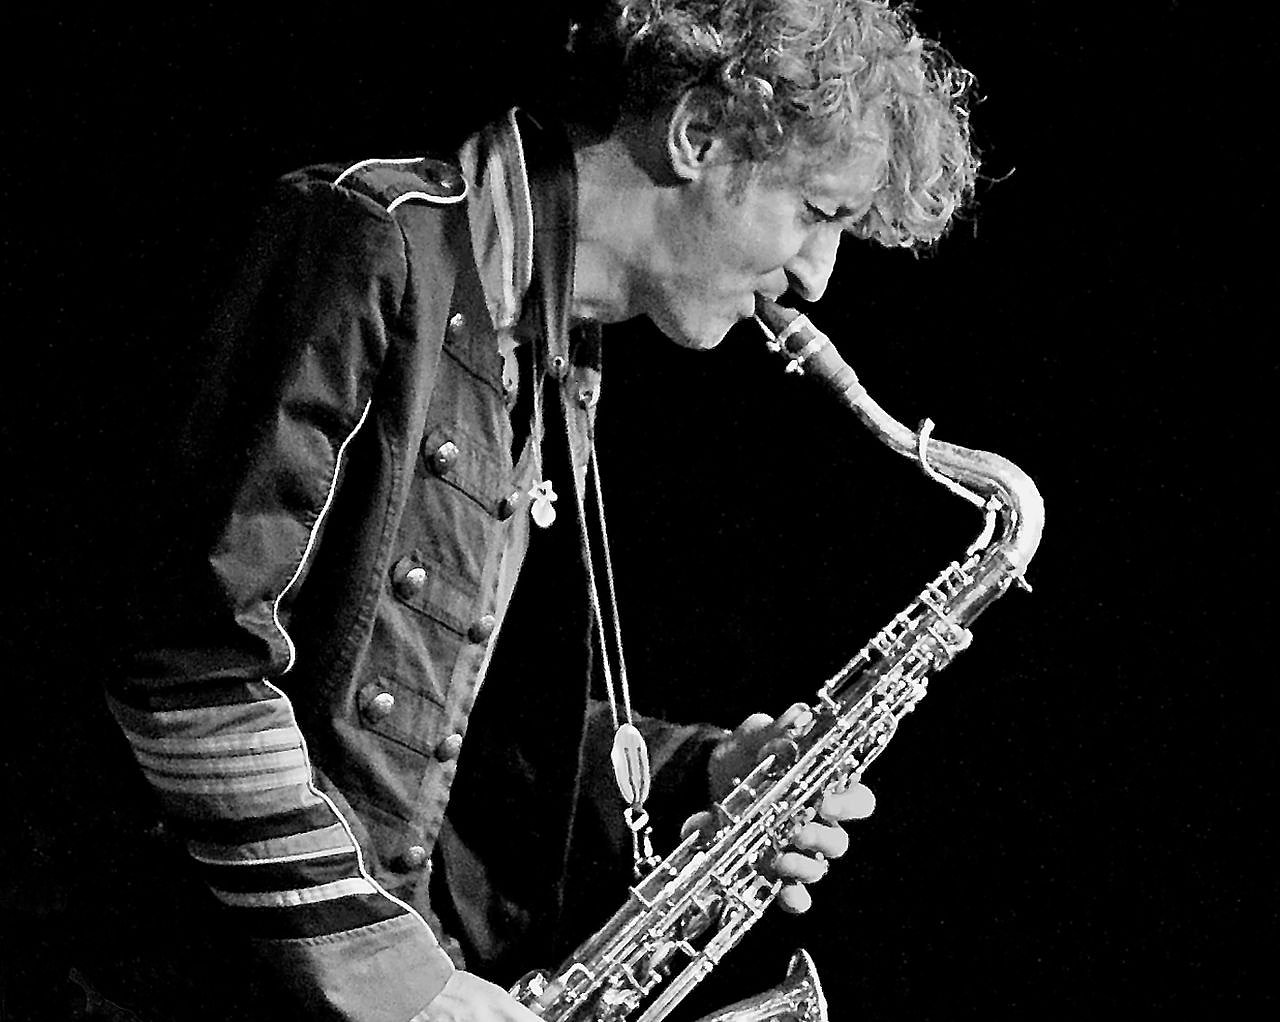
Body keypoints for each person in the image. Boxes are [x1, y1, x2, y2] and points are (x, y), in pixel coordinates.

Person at [77, 2, 978, 1019]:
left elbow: (457, 717)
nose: (815, 276)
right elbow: (184, 667)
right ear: (697, 135)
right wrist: (401, 985)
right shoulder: (367, 240)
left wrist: (703, 776)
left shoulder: (554, 347)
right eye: (815, 212)